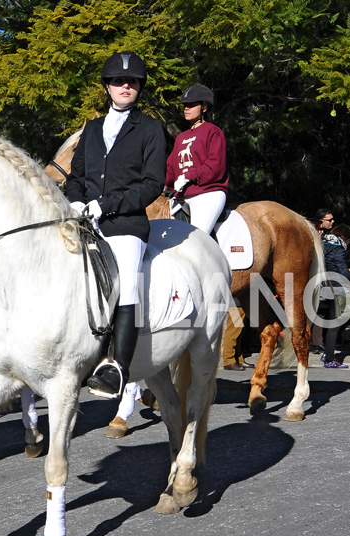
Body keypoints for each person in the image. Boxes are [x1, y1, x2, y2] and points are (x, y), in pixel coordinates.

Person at [65, 51, 166, 398]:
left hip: (126, 224)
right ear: (107, 86)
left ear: (139, 88)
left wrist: (106, 205)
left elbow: (153, 183)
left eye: (133, 82)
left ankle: (117, 369)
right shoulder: (91, 129)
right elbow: (76, 176)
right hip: (85, 221)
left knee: (125, 283)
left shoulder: (151, 128)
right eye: (119, 81)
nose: (126, 86)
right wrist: (76, 199)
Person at [165, 84, 229, 234]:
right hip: (181, 198)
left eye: (192, 105)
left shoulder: (213, 132)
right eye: (185, 105)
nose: (186, 108)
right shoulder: (181, 138)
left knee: (197, 237)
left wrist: (188, 176)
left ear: (204, 108)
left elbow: (214, 167)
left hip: (208, 194)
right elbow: (171, 168)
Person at [318, 225, 350, 368]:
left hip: (322, 286)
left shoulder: (322, 244)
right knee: (334, 324)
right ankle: (329, 358)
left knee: (326, 322)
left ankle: (326, 353)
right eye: (348, 240)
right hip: (336, 288)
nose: (348, 244)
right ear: (344, 237)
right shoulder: (337, 249)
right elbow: (343, 272)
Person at [222, 303, 253, 370]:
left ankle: (238, 359)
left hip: (242, 302)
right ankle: (229, 361)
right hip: (235, 303)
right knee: (233, 333)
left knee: (239, 334)